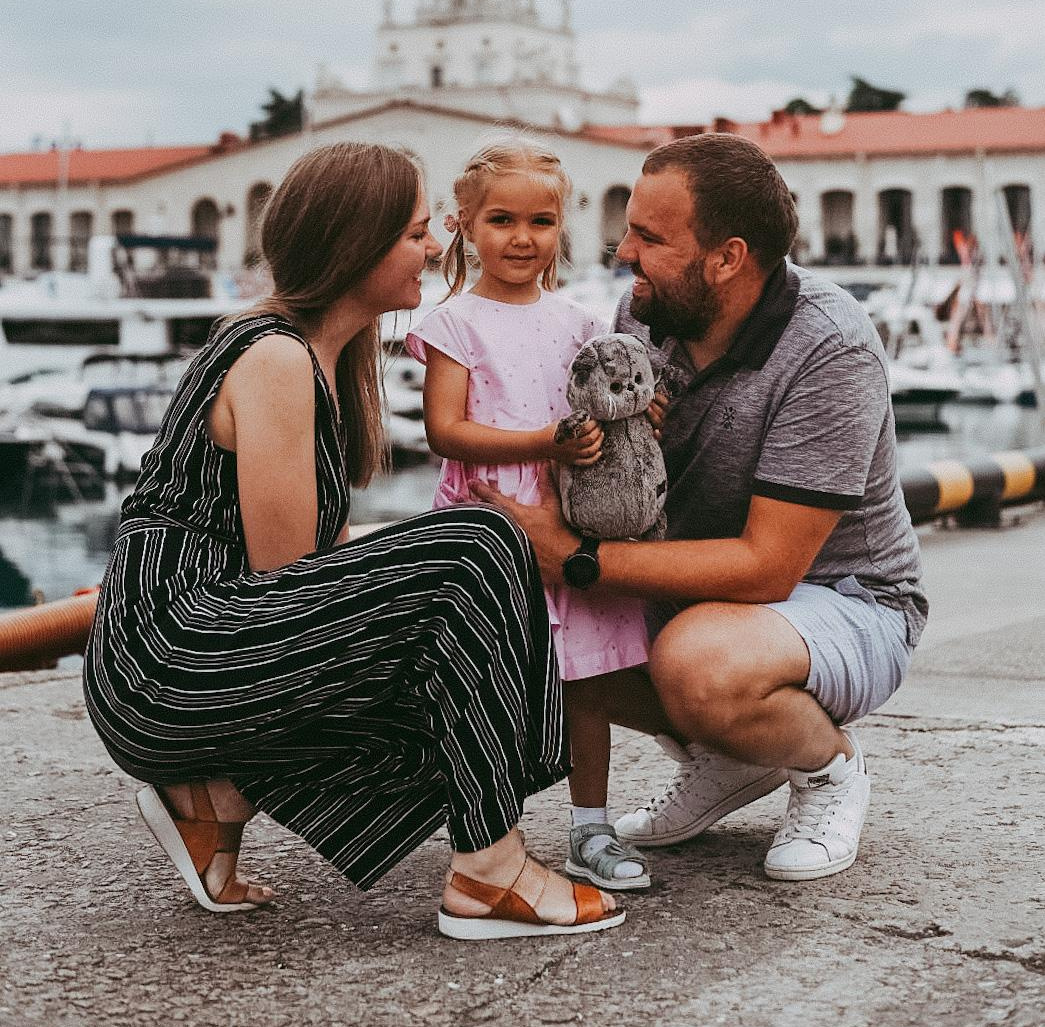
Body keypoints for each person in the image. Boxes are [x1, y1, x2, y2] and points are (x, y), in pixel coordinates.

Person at [83, 140, 623, 940]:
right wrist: (465, 560)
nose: (434, 248)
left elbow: (321, 569)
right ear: (354, 244)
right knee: (480, 541)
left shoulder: (321, 360)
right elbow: (293, 580)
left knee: (468, 606)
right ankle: (489, 870)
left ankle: (214, 800)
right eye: (414, 232)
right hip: (166, 661)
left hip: (186, 655)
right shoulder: (274, 357)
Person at [476, 133, 928, 883]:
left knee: (699, 663)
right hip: (693, 591)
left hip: (847, 598)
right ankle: (727, 757)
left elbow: (768, 566)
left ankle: (828, 768)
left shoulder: (829, 347)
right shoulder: (643, 314)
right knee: (536, 630)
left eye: (650, 238)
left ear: (726, 258)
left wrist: (578, 559)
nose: (623, 252)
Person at [404, 139, 653, 892]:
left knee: (587, 682)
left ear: (560, 227)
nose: (522, 237)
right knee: (492, 677)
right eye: (501, 220)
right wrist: (542, 441)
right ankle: (491, 832)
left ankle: (590, 827)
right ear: (463, 225)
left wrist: (634, 413)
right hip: (490, 518)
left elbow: (601, 402)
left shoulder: (578, 322)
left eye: (540, 221)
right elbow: (446, 431)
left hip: (568, 511)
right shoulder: (454, 323)